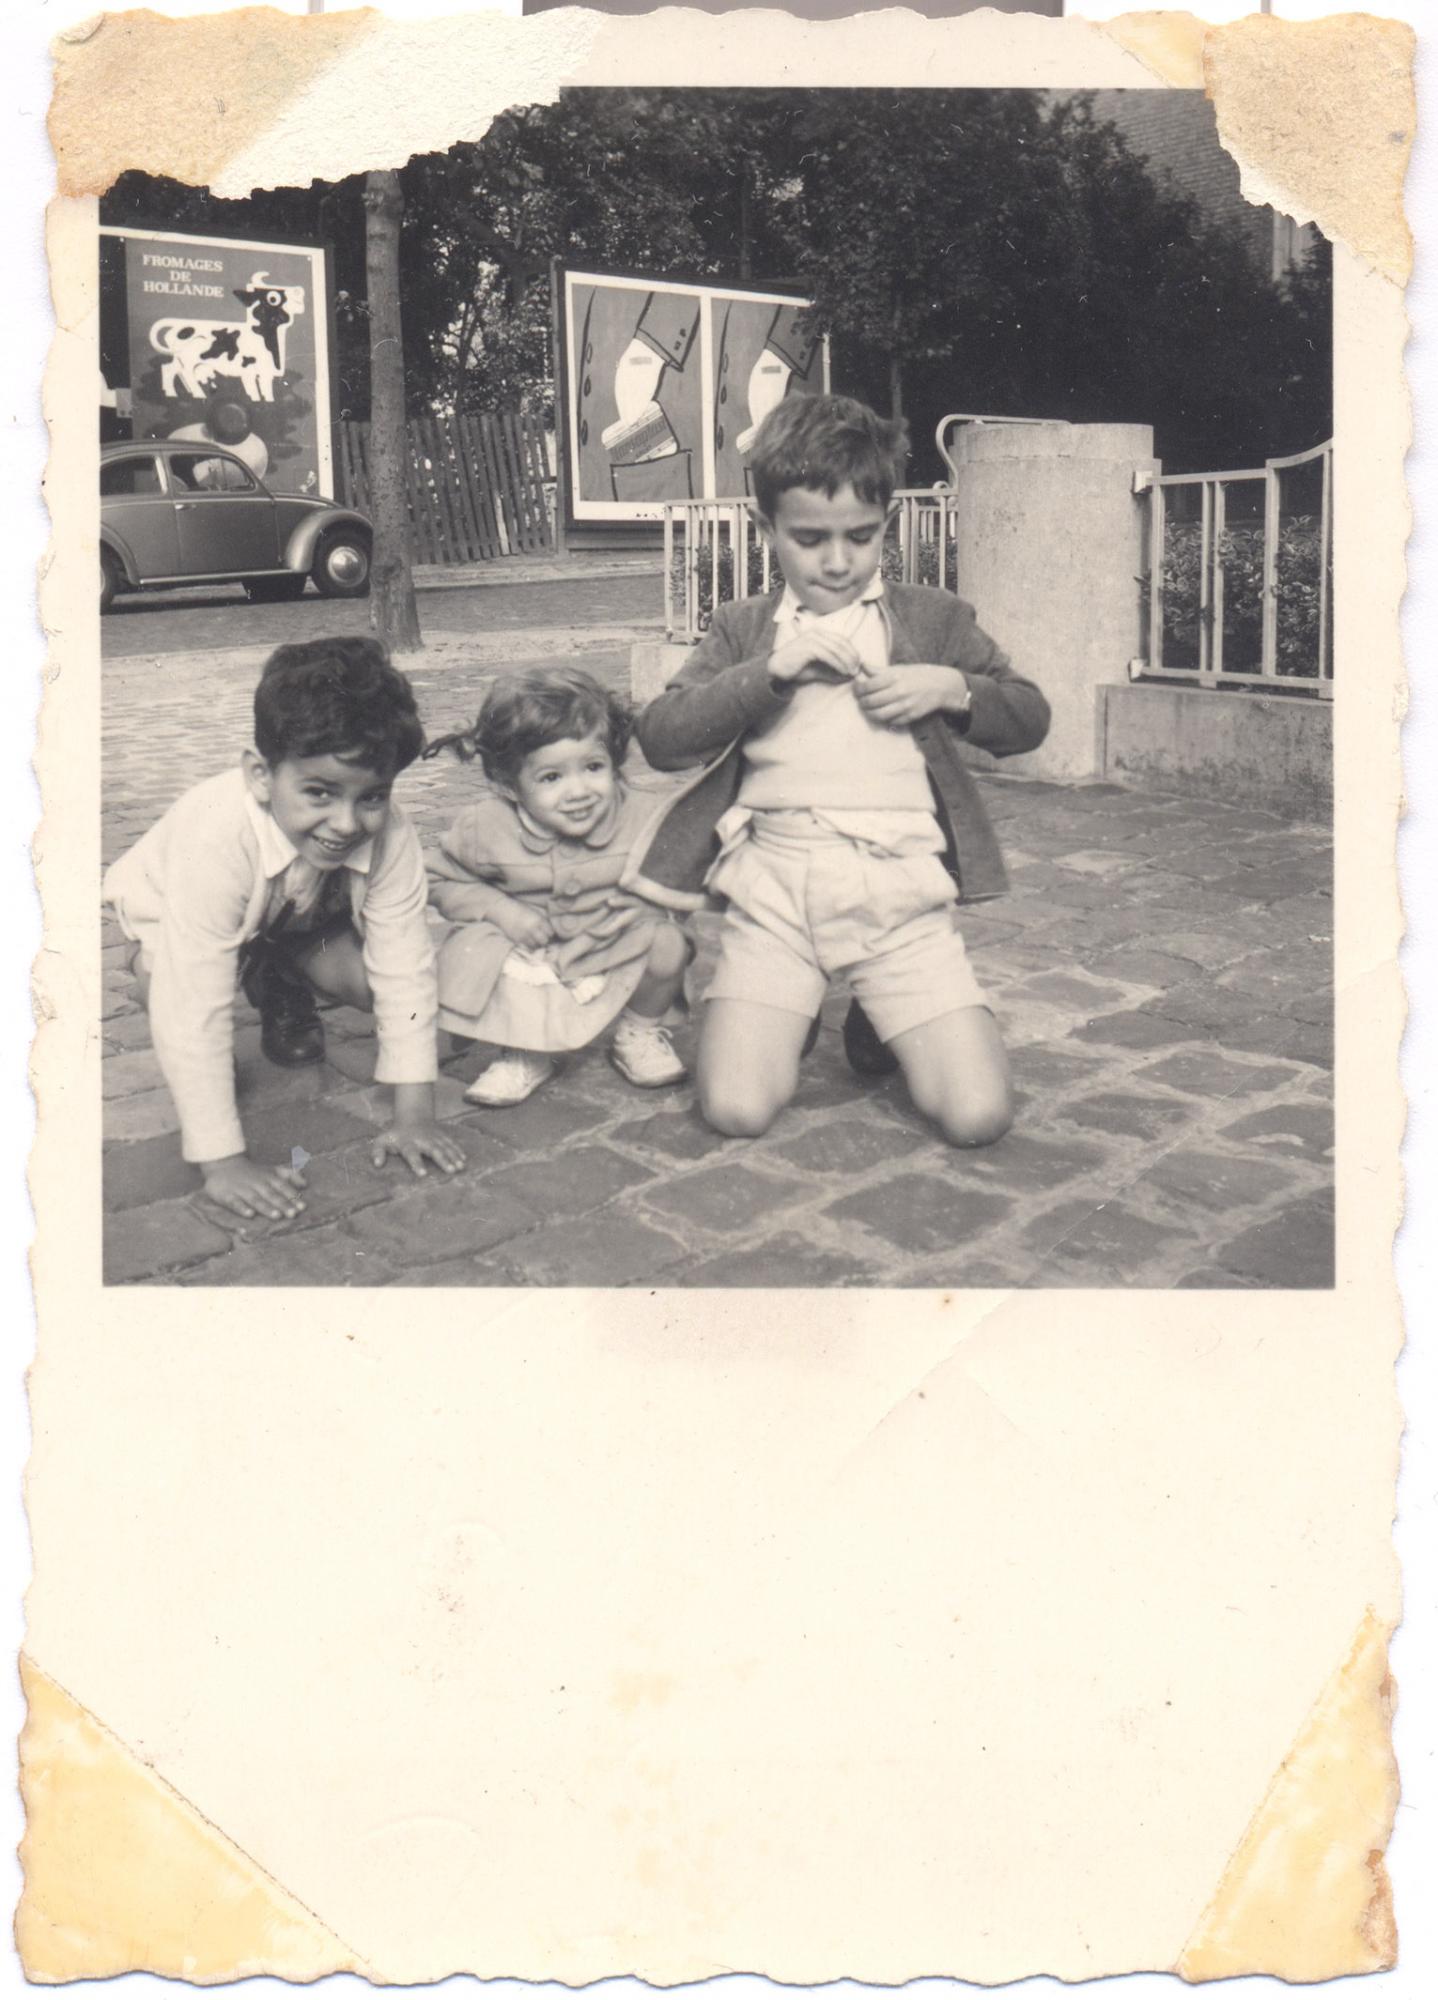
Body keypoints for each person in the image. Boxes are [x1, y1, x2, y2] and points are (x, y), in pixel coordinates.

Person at [629, 393, 1051, 1146]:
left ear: (888, 520)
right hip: (777, 892)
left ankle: (879, 1006)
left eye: (860, 536)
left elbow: (1029, 716)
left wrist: (952, 688)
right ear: (766, 528)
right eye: (809, 538)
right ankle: (789, 1002)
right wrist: (769, 672)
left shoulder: (932, 618)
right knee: (735, 1110)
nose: (836, 561)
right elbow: (662, 736)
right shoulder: (745, 627)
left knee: (978, 1116)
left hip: (898, 896)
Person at [104, 637, 464, 1222]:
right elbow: (191, 1001)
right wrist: (222, 1164)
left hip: (300, 916)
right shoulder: (216, 835)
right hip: (177, 924)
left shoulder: (391, 834)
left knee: (371, 983)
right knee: (171, 1000)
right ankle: (257, 970)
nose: (346, 823)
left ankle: (277, 974)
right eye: (320, 792)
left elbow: (405, 965)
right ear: (260, 774)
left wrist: (414, 1116)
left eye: (372, 796)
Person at [425, 666, 692, 1107]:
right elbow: (439, 878)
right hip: (533, 948)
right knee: (478, 947)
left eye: (593, 767)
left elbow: (684, 871)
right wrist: (500, 910)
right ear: (510, 785)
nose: (578, 791)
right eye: (551, 778)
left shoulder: (644, 816)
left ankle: (638, 1031)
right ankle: (524, 1050)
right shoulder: (484, 827)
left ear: (614, 762)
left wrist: (652, 903)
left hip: (609, 942)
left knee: (668, 943)